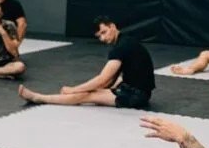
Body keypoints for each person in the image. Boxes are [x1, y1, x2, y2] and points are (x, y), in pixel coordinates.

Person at [18, 16, 154, 108]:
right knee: (95, 90)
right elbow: (110, 80)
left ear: (112, 26)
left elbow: (103, 79)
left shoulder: (121, 47)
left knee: (86, 95)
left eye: (104, 32)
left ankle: (39, 98)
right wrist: (104, 88)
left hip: (136, 95)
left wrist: (73, 90)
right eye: (99, 36)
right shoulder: (126, 40)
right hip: (138, 90)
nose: (102, 38)